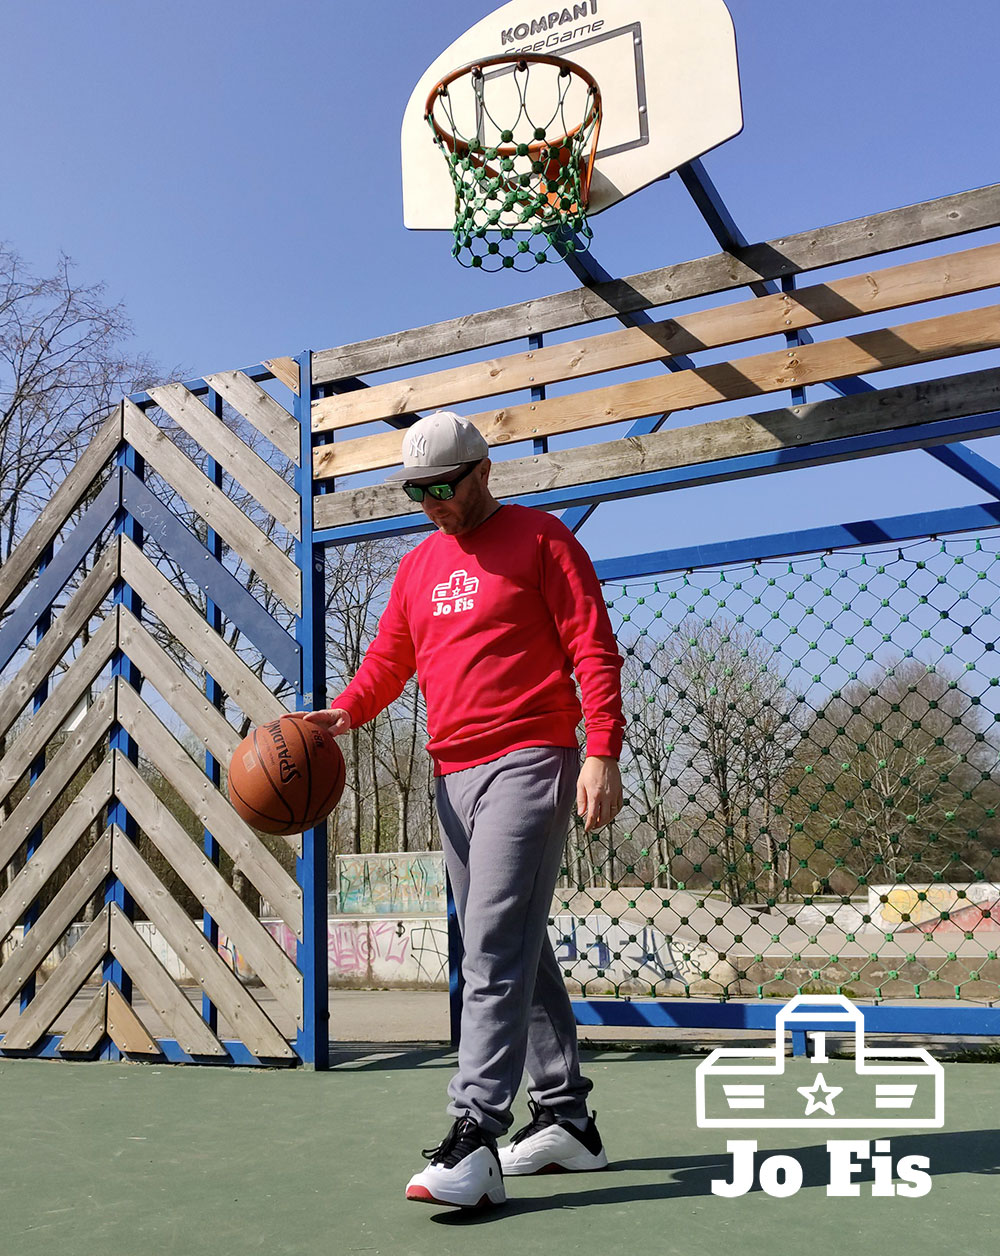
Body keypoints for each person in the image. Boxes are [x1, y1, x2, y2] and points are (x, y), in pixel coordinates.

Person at [306, 410, 624, 1209]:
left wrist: (602, 749)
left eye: (444, 486)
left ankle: (474, 1132)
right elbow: (389, 659)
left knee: (489, 940)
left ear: (484, 471)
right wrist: (343, 714)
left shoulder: (544, 541)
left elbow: (592, 644)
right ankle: (566, 1118)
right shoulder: (415, 569)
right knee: (515, 942)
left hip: (532, 758)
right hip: (453, 774)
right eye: (418, 492)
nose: (433, 503)